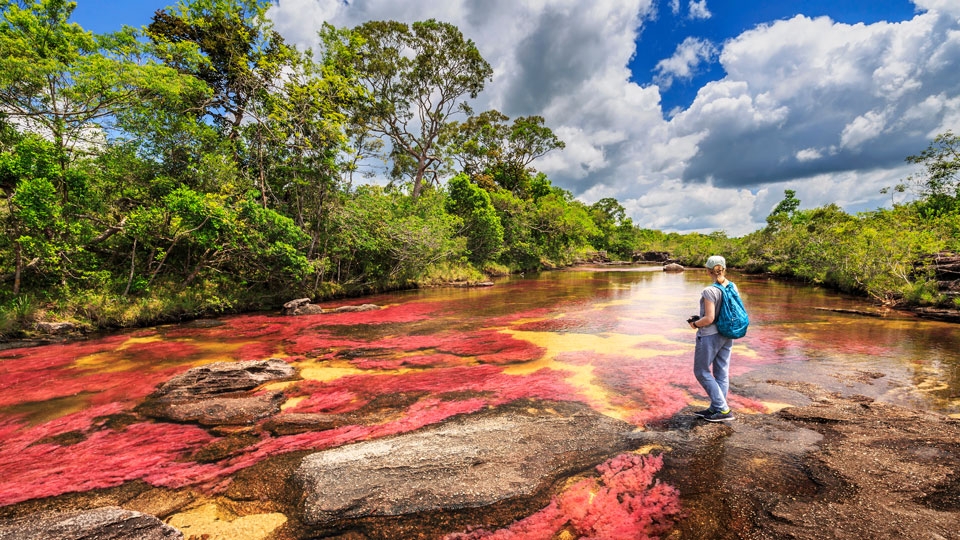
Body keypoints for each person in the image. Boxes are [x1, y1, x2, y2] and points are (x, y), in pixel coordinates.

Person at [689, 255, 736, 422]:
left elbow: (709, 319)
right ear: (724, 268)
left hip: (710, 335)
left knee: (701, 371)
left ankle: (723, 410)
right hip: (727, 333)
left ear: (708, 270)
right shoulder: (732, 286)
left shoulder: (709, 291)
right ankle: (717, 408)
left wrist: (695, 324)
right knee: (721, 372)